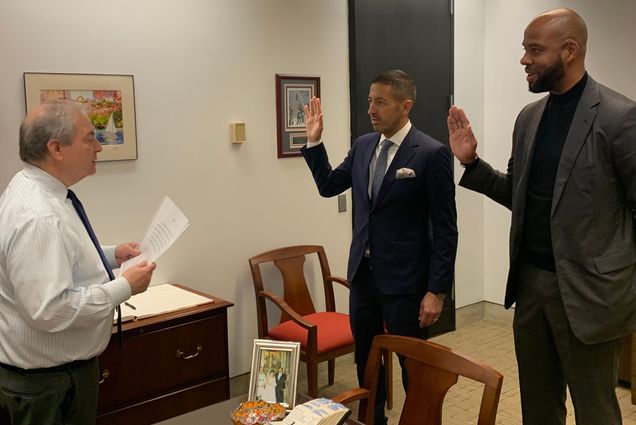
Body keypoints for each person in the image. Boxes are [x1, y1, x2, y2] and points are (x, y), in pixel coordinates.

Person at [448, 8, 636, 425]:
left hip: (588, 295)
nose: (524, 60)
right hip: (531, 286)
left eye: (535, 50)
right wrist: (472, 163)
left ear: (570, 51)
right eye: (523, 50)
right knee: (538, 404)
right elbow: (524, 197)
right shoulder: (529, 119)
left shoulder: (619, 118)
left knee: (596, 409)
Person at [302, 69, 458, 425]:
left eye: (380, 102)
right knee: (367, 360)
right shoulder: (363, 146)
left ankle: (422, 419)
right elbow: (328, 186)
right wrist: (314, 143)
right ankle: (373, 420)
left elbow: (447, 230)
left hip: (407, 283)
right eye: (370, 101)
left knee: (412, 364)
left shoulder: (431, 154)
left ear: (405, 106)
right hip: (364, 278)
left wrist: (437, 290)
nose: (371, 109)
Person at [0, 102, 157, 425]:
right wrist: (124, 287)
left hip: (52, 378)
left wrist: (113, 255)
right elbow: (50, 308)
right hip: (48, 385)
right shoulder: (39, 216)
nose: (98, 147)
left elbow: (55, 257)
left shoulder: (34, 190)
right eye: (89, 139)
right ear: (56, 148)